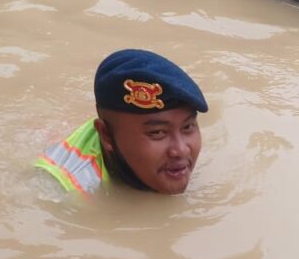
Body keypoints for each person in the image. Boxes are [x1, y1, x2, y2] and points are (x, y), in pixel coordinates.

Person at [35, 49, 207, 196]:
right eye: (157, 133)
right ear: (106, 135)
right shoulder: (65, 189)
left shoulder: (162, 158)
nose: (181, 150)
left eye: (187, 127)